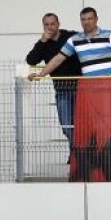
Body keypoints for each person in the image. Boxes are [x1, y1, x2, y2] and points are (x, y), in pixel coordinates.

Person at [28, 7, 111, 80]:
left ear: (96, 19)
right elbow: (58, 59)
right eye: (83, 19)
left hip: (110, 84)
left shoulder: (109, 35)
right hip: (89, 87)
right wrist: (40, 75)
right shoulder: (75, 39)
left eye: (90, 19)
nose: (86, 22)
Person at [26, 13, 82, 153]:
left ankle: (77, 155)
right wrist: (42, 41)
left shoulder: (70, 36)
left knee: (82, 125)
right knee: (66, 126)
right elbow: (31, 60)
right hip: (61, 89)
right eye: (46, 24)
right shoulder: (43, 43)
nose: (50, 27)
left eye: (52, 24)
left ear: (58, 24)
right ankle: (78, 152)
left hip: (81, 88)